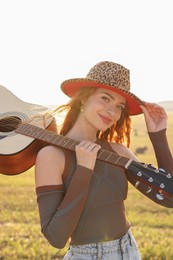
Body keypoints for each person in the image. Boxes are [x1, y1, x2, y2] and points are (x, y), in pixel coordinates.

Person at [34, 61, 173, 260]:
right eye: (105, 99)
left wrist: (158, 135)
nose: (112, 111)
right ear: (83, 99)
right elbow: (56, 237)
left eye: (119, 106)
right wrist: (83, 170)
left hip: (129, 252)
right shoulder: (51, 155)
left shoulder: (118, 152)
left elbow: (169, 196)